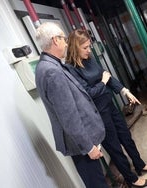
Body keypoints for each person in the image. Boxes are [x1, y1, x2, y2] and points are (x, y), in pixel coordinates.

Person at [65, 29, 147, 187]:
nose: (89, 50)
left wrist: (124, 90)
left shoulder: (89, 58)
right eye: (85, 48)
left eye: (89, 46)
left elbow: (106, 74)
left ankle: (139, 164)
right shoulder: (71, 69)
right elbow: (87, 93)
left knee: (126, 137)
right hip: (98, 114)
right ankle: (132, 179)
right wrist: (102, 82)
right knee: (115, 148)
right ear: (75, 47)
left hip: (109, 105)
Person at [35, 22, 109, 188]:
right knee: (97, 184)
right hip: (81, 144)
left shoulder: (48, 66)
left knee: (96, 181)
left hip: (80, 141)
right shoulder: (51, 71)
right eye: (64, 39)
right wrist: (89, 147)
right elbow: (69, 116)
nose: (66, 43)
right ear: (55, 40)